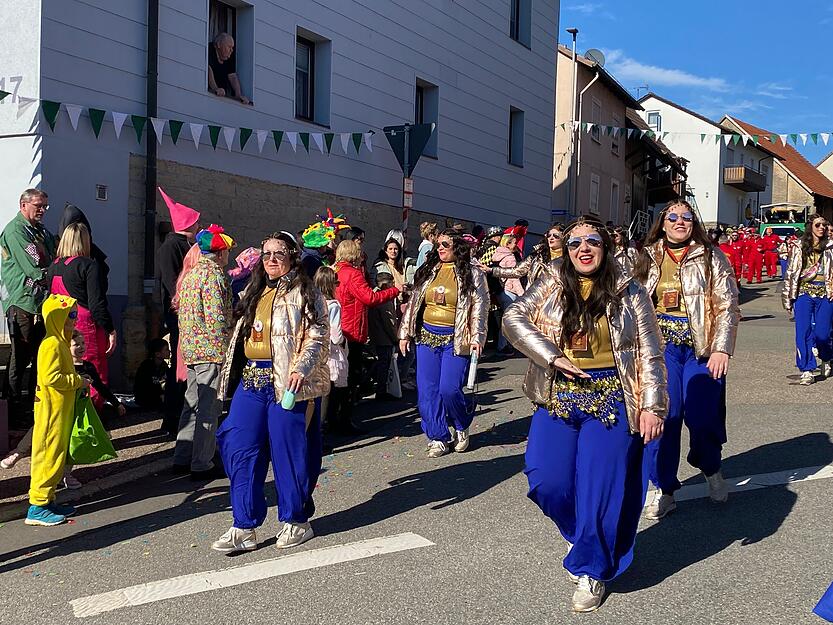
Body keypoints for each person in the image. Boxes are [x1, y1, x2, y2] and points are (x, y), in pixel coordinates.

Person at [502, 215, 667, 613]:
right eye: (575, 243)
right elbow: (513, 318)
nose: (583, 249)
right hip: (558, 395)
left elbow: (649, 351)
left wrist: (653, 405)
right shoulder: (552, 279)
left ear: (605, 246)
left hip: (611, 397)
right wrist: (551, 356)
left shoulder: (630, 290)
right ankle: (586, 535)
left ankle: (592, 567)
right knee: (546, 481)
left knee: (599, 487)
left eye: (592, 241)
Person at [213, 232, 329, 554]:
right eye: (266, 254)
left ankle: (296, 520)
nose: (272, 259)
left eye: (279, 253)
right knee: (238, 444)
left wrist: (300, 368)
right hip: (251, 381)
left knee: (289, 451)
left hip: (288, 383)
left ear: (292, 256)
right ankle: (244, 525)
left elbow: (319, 333)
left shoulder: (307, 291)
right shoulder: (254, 290)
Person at [633, 200, 740, 519]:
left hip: (702, 349)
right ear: (662, 223)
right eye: (673, 217)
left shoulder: (712, 257)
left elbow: (728, 305)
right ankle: (664, 487)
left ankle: (710, 466)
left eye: (687, 217)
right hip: (662, 349)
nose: (680, 221)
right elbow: (629, 303)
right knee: (664, 416)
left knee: (703, 416)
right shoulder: (646, 257)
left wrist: (722, 347)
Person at [398, 229, 489, 458]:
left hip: (456, 339)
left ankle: (460, 423)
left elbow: (479, 309)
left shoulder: (474, 274)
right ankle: (437, 436)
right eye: (438, 244)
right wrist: (404, 333)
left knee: (449, 389)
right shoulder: (428, 271)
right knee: (428, 392)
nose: (439, 248)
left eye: (445, 244)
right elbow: (414, 303)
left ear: (457, 247)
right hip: (427, 337)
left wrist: (477, 338)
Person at [172, 224, 234, 478]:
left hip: (191, 347)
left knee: (192, 404)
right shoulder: (215, 276)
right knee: (209, 408)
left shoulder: (192, 275)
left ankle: (182, 455)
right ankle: (202, 462)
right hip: (210, 348)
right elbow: (216, 317)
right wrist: (225, 343)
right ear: (220, 253)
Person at [25, 294, 90, 526]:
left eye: (75, 314)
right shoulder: (51, 344)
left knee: (56, 454)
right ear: (57, 317)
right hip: (51, 410)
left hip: (59, 408)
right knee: (48, 454)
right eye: (70, 315)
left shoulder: (59, 342)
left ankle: (48, 498)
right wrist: (77, 381)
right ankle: (38, 504)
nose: (74, 320)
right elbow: (52, 377)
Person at [0, 189, 56, 429]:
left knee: (39, 357)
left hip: (40, 300)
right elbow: (36, 266)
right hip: (22, 300)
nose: (43, 210)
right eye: (38, 206)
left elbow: (55, 253)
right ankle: (11, 410)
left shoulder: (40, 230)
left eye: (45, 205)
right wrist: (56, 271)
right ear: (23, 205)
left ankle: (34, 406)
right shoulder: (16, 231)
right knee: (19, 358)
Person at [47, 222, 116, 409]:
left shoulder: (53, 266)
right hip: (85, 326)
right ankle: (93, 418)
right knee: (94, 373)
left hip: (61, 326)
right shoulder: (89, 266)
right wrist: (110, 330)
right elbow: (97, 304)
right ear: (85, 241)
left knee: (67, 370)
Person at [333, 239, 399, 433]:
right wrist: (394, 291)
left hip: (338, 328)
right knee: (350, 377)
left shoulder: (334, 271)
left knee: (338, 376)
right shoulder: (353, 274)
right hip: (353, 330)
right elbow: (370, 298)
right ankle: (344, 420)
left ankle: (334, 419)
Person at [156, 188, 201, 436]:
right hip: (180, 313)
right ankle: (173, 418)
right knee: (180, 367)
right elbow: (173, 282)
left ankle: (179, 416)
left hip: (183, 312)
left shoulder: (182, 244)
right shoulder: (172, 247)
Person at [782, 214, 833, 386]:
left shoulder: (831, 247)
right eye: (818, 225)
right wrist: (787, 298)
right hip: (804, 294)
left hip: (826, 294)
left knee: (823, 335)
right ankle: (807, 370)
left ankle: (826, 357)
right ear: (810, 226)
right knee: (803, 333)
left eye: (824, 225)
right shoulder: (798, 246)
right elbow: (790, 273)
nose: (822, 228)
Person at [313, 266, 348, 435]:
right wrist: (342, 341)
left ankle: (317, 428)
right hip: (330, 352)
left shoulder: (311, 301)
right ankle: (324, 428)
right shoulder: (333, 305)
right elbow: (335, 334)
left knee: (318, 391)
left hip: (314, 350)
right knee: (328, 391)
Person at [480, 223, 563, 285]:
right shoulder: (537, 256)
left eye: (556, 235)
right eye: (549, 235)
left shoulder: (569, 258)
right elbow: (517, 271)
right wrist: (491, 270)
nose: (551, 238)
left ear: (564, 237)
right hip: (535, 298)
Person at [70, 330, 124, 417]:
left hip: (82, 405)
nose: (81, 347)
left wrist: (116, 404)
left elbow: (100, 386)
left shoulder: (88, 367)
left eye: (83, 343)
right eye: (76, 345)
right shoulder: (66, 367)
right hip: (67, 406)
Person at [368, 273, 399, 401]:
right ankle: (382, 390)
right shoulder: (385, 300)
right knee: (384, 364)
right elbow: (389, 322)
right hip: (384, 337)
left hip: (374, 335)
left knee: (379, 362)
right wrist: (395, 338)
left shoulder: (374, 295)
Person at [492, 232, 524, 354]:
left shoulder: (497, 254)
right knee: (510, 320)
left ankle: (504, 344)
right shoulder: (510, 257)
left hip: (500, 290)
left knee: (505, 318)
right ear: (508, 244)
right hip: (510, 290)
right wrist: (522, 293)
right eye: (514, 243)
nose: (516, 245)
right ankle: (504, 345)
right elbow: (514, 277)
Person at [207, 32, 250, 104]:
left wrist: (238, 96)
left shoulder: (229, 57)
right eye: (229, 47)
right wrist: (215, 88)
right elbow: (208, 69)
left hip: (222, 100)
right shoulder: (209, 50)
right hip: (210, 97)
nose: (231, 50)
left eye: (232, 47)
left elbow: (233, 77)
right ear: (218, 45)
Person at [134, 338, 171, 411]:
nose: (169, 351)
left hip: (159, 397)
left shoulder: (164, 365)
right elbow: (144, 387)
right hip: (146, 398)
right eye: (166, 349)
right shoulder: (146, 367)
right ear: (157, 354)